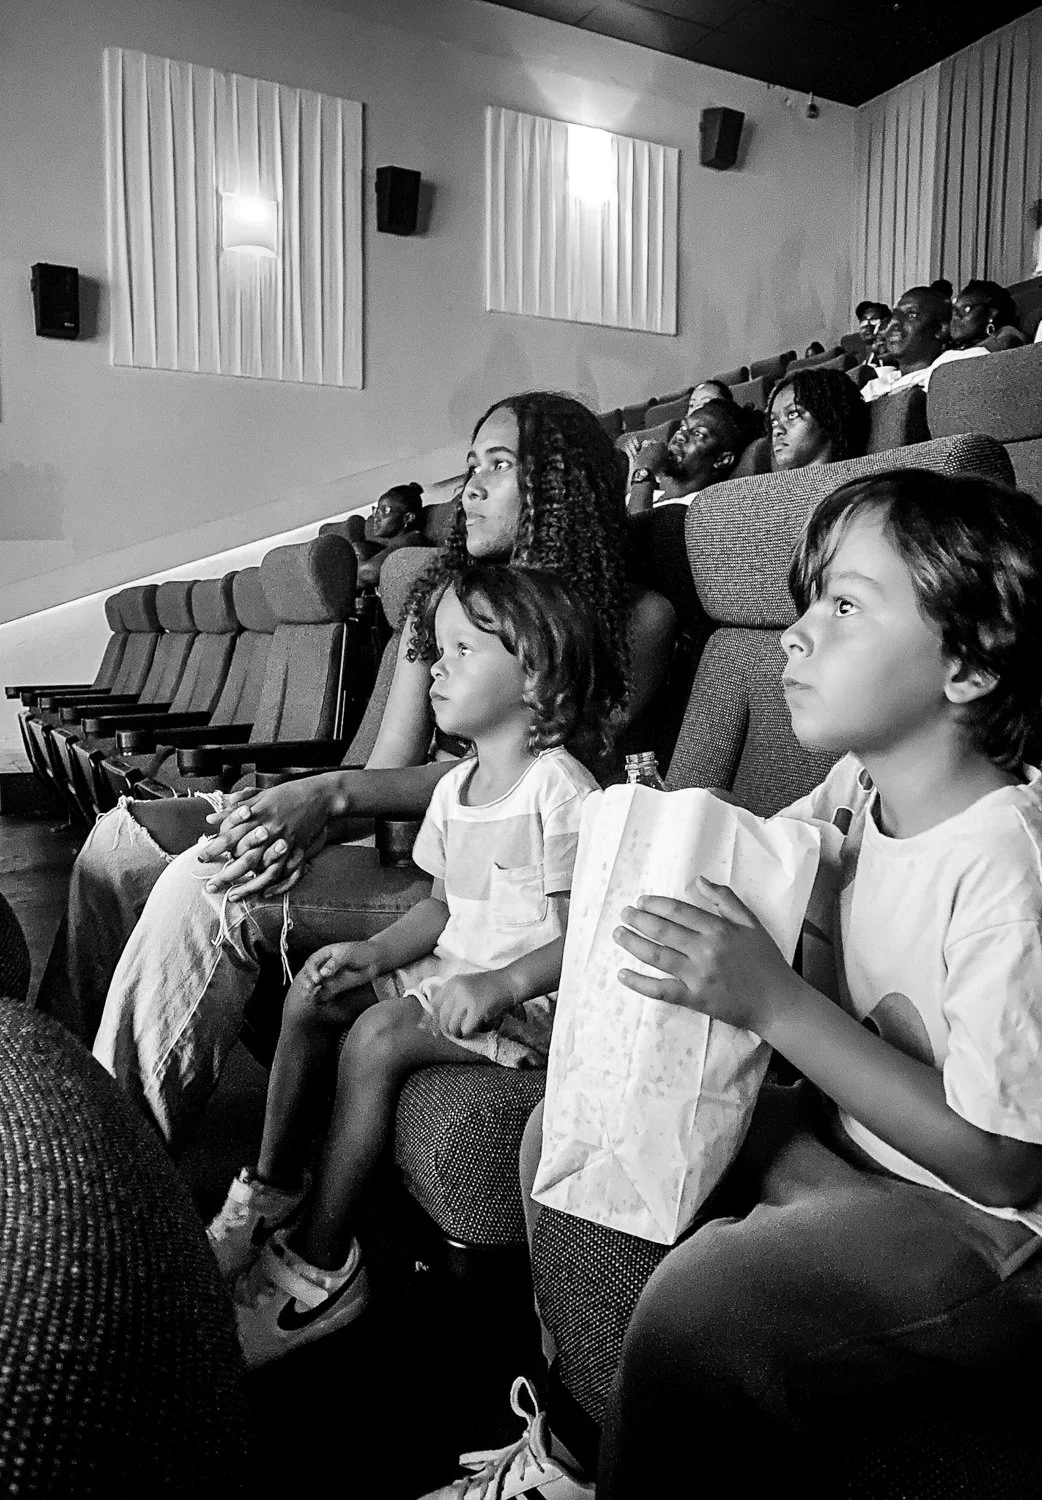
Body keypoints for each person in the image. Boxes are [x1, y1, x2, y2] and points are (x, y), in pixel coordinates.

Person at [421, 468, 1042, 1500]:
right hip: (858, 1149)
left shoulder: (1013, 868)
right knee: (565, 1128)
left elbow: (1004, 1166)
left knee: (705, 1301)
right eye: (808, 602)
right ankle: (573, 1440)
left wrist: (772, 1001)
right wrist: (655, 842)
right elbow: (757, 864)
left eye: (844, 606)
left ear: (972, 660)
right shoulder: (858, 787)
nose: (794, 634)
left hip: (1003, 1240)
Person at [83, 393, 675, 1152]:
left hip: (486, 883)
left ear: (563, 487)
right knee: (120, 842)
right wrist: (282, 813)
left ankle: (111, 1164)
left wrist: (326, 796)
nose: (470, 488)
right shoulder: (440, 602)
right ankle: (57, 1095)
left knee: (211, 884)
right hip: (398, 836)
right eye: (471, 465)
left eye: (500, 466)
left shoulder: (630, 620)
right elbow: (386, 767)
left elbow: (530, 776)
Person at [208, 567, 604, 1363]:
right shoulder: (456, 789)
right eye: (438, 649)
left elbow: (587, 934)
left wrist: (502, 983)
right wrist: (369, 954)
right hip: (453, 974)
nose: (436, 668)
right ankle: (271, 1186)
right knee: (316, 992)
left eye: (462, 649)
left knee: (381, 1034)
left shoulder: (560, 791)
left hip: (534, 1004)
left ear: (534, 675)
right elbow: (437, 909)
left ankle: (319, 1262)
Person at [620, 400, 749, 514]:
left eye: (698, 434)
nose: (680, 435)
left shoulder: (697, 507)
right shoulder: (651, 495)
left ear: (722, 459)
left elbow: (636, 531)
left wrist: (644, 469)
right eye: (683, 427)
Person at [860, 285, 985, 402]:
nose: (895, 323)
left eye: (911, 315)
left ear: (940, 329)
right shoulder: (875, 387)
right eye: (895, 315)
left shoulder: (958, 369)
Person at [765, 368, 869, 471]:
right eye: (773, 422)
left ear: (829, 417)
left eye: (793, 415)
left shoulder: (866, 479)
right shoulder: (772, 481)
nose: (776, 431)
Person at [356, 481, 427, 589]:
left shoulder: (413, 539)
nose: (376, 517)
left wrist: (351, 567)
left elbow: (370, 573)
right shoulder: (395, 543)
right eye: (376, 510)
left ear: (408, 518)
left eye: (385, 510)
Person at [949, 280, 1027, 353]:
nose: (955, 316)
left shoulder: (1005, 342)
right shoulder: (957, 347)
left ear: (991, 313)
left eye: (966, 309)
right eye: (953, 309)